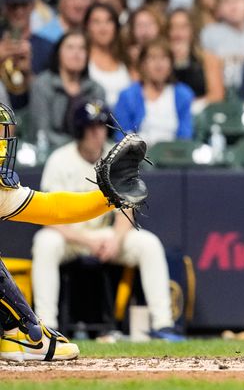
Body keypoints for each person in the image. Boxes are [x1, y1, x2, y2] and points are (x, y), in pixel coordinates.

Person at [0, 101, 148, 361]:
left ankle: (21, 332)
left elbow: (52, 207)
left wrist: (105, 197)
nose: (3, 145)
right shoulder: (62, 158)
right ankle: (24, 332)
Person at [31, 99, 184, 343]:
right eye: (91, 127)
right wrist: (85, 242)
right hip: (70, 236)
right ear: (80, 130)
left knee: (148, 243)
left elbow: (127, 209)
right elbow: (49, 217)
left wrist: (116, 239)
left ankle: (164, 325)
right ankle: (45, 326)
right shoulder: (60, 160)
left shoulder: (116, 157)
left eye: (101, 127)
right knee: (45, 242)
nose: (97, 133)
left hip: (105, 236)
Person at [29, 30, 105, 150]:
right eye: (70, 47)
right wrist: (75, 148)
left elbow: (99, 130)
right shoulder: (42, 85)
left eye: (82, 48)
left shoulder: (96, 89)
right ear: (58, 53)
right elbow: (42, 132)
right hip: (50, 153)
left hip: (88, 155)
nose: (76, 53)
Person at [114, 40, 194, 144]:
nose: (159, 65)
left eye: (164, 58)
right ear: (143, 64)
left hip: (173, 156)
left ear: (171, 64)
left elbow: (185, 137)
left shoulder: (183, 95)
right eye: (152, 58)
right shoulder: (127, 96)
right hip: (138, 156)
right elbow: (121, 136)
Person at [85, 2, 131, 108]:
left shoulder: (126, 60)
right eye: (96, 22)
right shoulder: (82, 59)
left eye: (109, 21)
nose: (103, 28)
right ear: (87, 26)